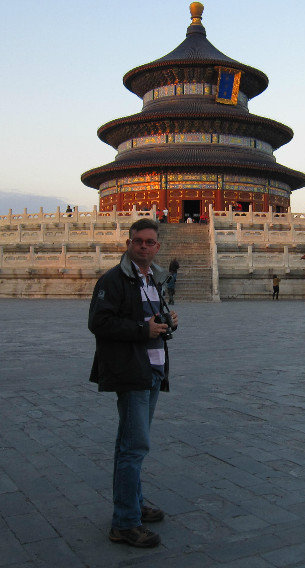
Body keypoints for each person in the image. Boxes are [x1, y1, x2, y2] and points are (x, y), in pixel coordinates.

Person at [88, 218, 178, 549]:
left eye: (150, 242)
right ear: (129, 243)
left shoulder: (154, 279)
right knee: (133, 446)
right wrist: (144, 331)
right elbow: (98, 322)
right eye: (138, 241)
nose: (144, 246)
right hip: (131, 371)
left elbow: (153, 322)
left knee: (132, 445)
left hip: (153, 369)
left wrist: (169, 323)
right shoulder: (113, 280)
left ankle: (134, 503)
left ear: (157, 246)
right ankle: (124, 523)